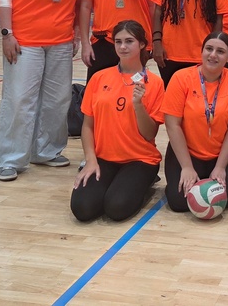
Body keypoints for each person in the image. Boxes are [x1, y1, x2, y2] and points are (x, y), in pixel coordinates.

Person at [0, 0, 83, 181]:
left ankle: (45, 151)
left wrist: (76, 36)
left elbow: (79, 4)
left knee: (58, 100)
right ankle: (11, 159)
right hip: (25, 42)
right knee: (20, 100)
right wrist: (7, 34)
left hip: (61, 43)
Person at [71, 21, 165, 221]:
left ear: (142, 44)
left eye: (129, 41)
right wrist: (90, 161)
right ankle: (114, 182)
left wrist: (138, 105)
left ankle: (143, 181)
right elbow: (87, 126)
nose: (123, 47)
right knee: (83, 210)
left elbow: (149, 133)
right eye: (118, 41)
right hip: (104, 158)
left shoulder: (155, 83)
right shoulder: (99, 78)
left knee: (117, 209)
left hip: (140, 159)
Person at [161, 31, 228, 212]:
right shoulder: (180, 78)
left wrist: (220, 167)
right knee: (178, 203)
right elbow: (172, 125)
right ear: (201, 52)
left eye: (220, 51)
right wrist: (186, 167)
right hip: (188, 150)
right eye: (209, 49)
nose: (213, 55)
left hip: (222, 151)